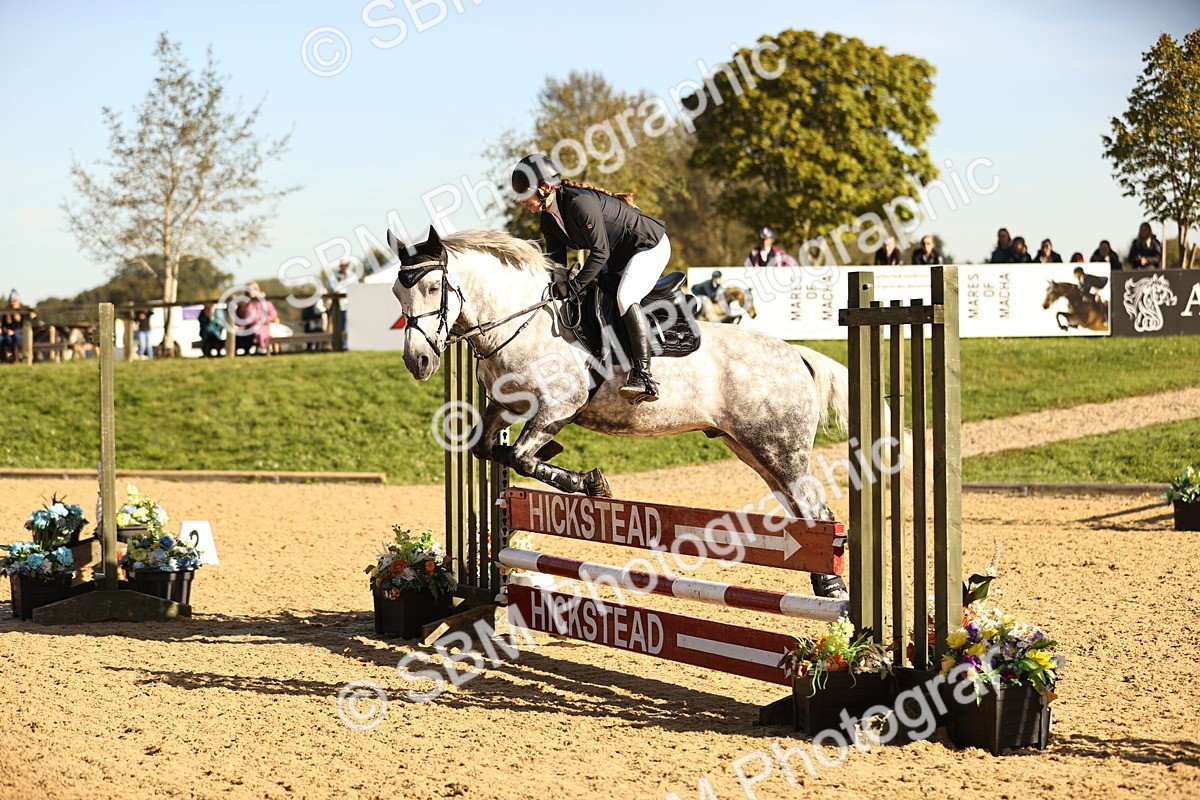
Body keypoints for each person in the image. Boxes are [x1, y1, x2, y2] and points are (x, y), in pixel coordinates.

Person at [512, 153, 669, 403]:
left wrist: (573, 286)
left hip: (647, 246)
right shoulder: (549, 219)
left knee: (625, 296)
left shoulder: (578, 204)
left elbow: (600, 252)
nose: (520, 200)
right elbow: (556, 263)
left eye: (523, 194)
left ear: (543, 187)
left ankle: (644, 376)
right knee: (592, 297)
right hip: (617, 256)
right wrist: (550, 288)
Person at [235, 282, 278, 355]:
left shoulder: (265, 302)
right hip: (246, 327)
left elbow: (273, 314)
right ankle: (245, 351)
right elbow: (238, 316)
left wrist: (262, 321)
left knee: (255, 332)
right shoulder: (243, 304)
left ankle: (260, 349)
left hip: (261, 326)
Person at [1, 290, 34, 363]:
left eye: (14, 301)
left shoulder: (24, 312)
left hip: (21, 335)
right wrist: (6, 331)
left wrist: (14, 332)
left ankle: (16, 360)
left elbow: (25, 327)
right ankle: (3, 360)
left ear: (18, 301)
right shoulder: (6, 313)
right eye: (11, 301)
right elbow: (4, 326)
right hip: (7, 334)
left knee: (14, 338)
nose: (12, 303)